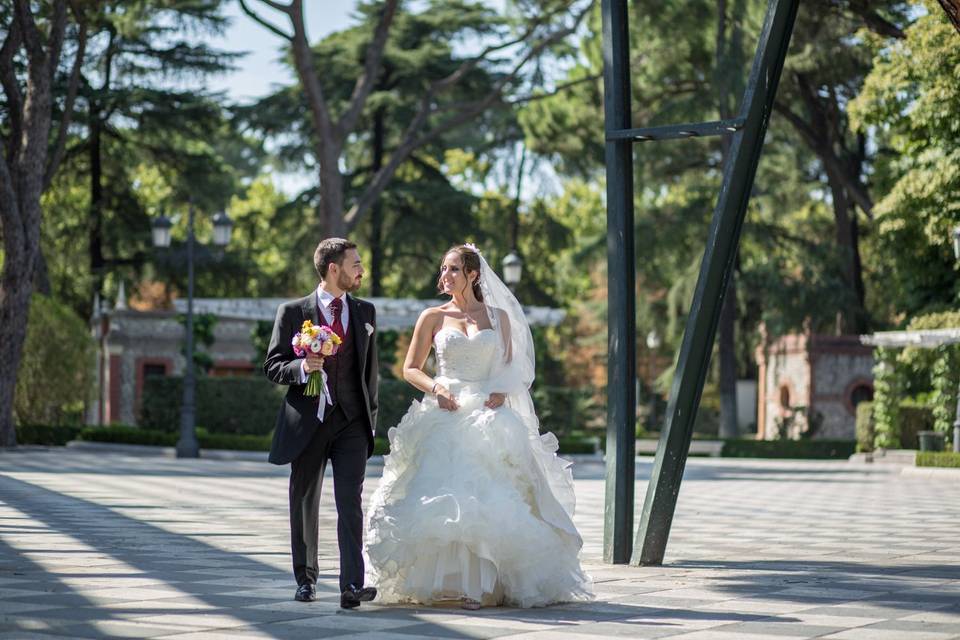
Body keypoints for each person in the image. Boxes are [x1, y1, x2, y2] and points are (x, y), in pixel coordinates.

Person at [364, 244, 593, 609]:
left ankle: (486, 586)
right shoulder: (433, 316)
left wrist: (502, 391)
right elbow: (410, 368)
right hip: (445, 411)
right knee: (445, 495)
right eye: (443, 269)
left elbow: (512, 369)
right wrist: (435, 387)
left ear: (473, 274)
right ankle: (447, 583)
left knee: (492, 495)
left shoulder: (499, 318)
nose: (445, 276)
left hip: (488, 415)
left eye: (454, 269)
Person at [264, 238, 379, 609]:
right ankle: (306, 580)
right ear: (334, 268)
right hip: (309, 422)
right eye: (355, 264)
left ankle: (351, 586)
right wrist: (302, 368)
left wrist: (369, 422)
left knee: (351, 503)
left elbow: (370, 374)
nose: (360, 270)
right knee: (304, 500)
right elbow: (273, 366)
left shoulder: (365, 312)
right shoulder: (293, 312)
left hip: (352, 424)